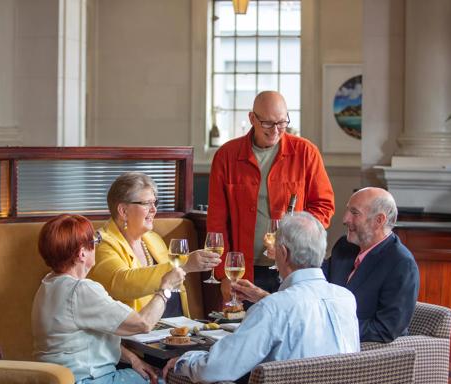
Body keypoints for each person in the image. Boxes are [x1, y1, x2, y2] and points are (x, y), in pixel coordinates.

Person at [162, 212, 359, 383]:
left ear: (283, 253)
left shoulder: (273, 308)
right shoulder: (346, 299)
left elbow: (215, 369)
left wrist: (183, 361)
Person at [207, 90, 335, 301]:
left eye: (282, 123)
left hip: (293, 267)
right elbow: (217, 222)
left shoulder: (306, 153)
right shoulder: (226, 156)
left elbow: (324, 207)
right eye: (267, 123)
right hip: (244, 271)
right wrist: (224, 273)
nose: (275, 130)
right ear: (252, 118)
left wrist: (295, 239)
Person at [32, 214, 185, 384]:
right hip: (88, 380)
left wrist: (133, 359)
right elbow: (143, 323)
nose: (96, 246)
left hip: (62, 378)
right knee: (168, 379)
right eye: (94, 242)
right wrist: (166, 288)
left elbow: (92, 338)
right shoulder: (81, 290)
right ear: (82, 253)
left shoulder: (47, 285)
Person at [88, 172, 220, 317]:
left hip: (175, 330)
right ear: (123, 211)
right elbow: (122, 283)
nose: (154, 210)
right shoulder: (102, 244)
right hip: (135, 333)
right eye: (146, 204)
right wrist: (184, 264)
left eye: (154, 203)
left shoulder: (153, 239)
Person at [322, 187, 420, 343]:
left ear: (379, 220)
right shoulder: (344, 246)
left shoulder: (401, 264)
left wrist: (327, 328)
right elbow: (317, 281)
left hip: (365, 356)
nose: (345, 219)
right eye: (348, 211)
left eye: (354, 213)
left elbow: (386, 329)